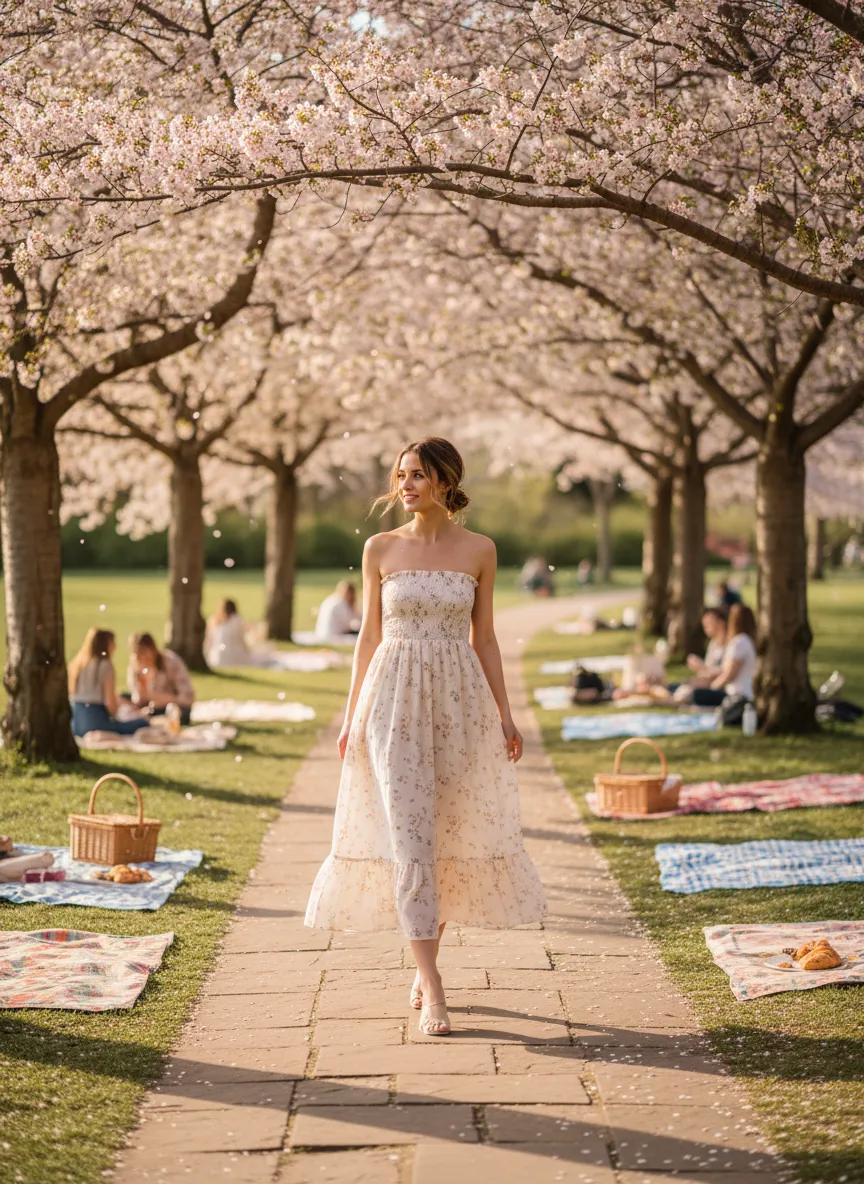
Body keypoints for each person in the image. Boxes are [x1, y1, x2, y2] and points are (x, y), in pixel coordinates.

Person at [305, 437, 547, 1037]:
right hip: (392, 705)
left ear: (445, 480)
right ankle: (434, 987)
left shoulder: (481, 550)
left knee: (444, 841)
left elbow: (485, 639)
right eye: (401, 475)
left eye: (417, 475)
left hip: (460, 704)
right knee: (410, 842)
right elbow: (368, 637)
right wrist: (350, 712)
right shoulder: (380, 548)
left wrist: (505, 715)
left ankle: (425, 962)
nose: (405, 485)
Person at [68, 628, 151, 737]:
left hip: (76, 724)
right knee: (142, 723)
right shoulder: (105, 665)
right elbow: (110, 704)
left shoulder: (79, 665)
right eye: (113, 643)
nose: (115, 647)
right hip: (96, 723)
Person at [127, 632, 195, 725]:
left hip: (174, 707)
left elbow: (188, 696)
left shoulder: (171, 662)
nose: (143, 658)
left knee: (177, 713)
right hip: (151, 709)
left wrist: (170, 699)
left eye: (145, 653)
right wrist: (142, 687)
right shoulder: (135, 668)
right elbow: (137, 700)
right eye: (139, 655)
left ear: (153, 650)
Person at [711, 602, 758, 702]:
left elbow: (730, 673)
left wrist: (712, 688)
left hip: (737, 694)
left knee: (696, 694)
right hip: (743, 692)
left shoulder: (739, 642)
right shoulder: (749, 640)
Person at [205, 599, 253, 667]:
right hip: (234, 657)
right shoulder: (238, 620)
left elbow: (208, 642)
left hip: (215, 657)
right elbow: (242, 641)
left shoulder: (213, 619)